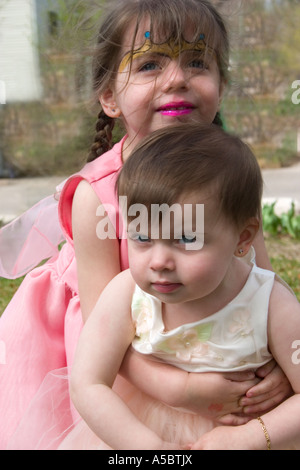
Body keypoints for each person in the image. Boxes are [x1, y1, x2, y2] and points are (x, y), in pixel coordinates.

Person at [0, 0, 294, 450]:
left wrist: (276, 365)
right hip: (126, 352)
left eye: (197, 61)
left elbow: (258, 276)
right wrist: (182, 390)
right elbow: (107, 328)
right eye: (150, 64)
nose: (177, 78)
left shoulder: (228, 173)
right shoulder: (96, 197)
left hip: (208, 328)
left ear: (221, 82)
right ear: (110, 97)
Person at [62, 124, 300, 450]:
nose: (159, 261)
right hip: (143, 433)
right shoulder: (126, 294)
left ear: (242, 238)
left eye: (186, 239)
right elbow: (87, 383)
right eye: (142, 237)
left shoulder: (270, 303)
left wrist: (249, 437)